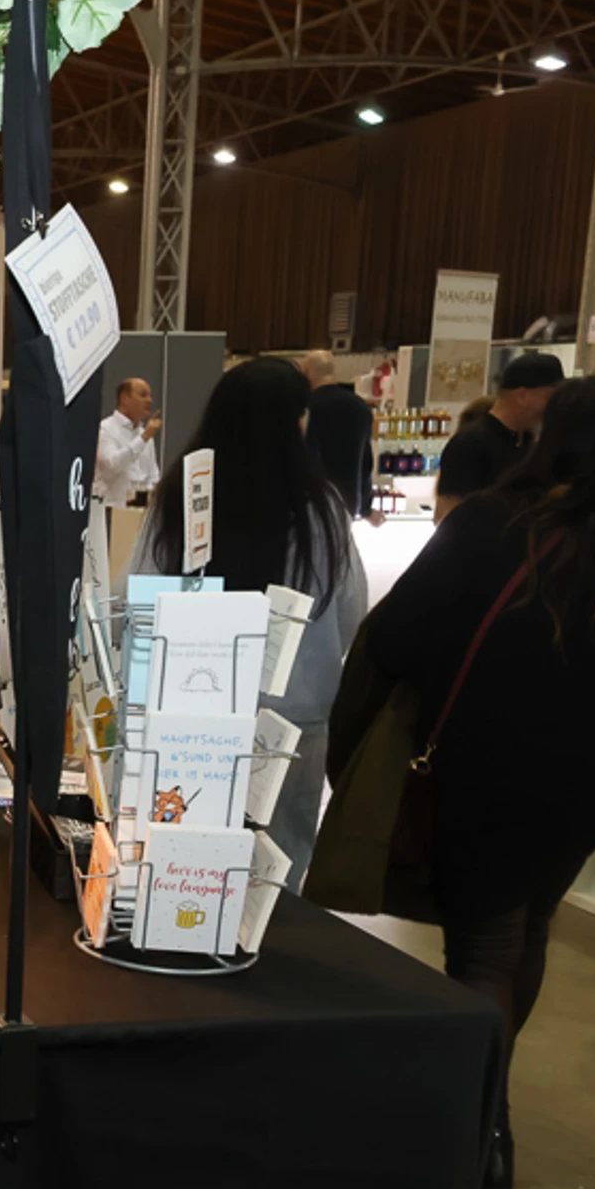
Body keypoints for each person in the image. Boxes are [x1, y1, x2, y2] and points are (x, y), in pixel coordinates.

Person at [331, 379, 595, 1189]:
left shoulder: (495, 524)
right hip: (586, 786)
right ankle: (485, 1118)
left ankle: (481, 1137)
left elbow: (397, 635)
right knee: (524, 928)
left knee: (485, 948)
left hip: (481, 767)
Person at [130, 357, 365, 881]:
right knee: (279, 863)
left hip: (193, 708)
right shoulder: (320, 506)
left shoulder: (183, 493)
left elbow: (140, 596)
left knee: (186, 860)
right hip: (295, 711)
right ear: (294, 422)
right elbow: (350, 609)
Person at [434, 351, 566, 520]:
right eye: (550, 397)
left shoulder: (529, 442)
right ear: (523, 396)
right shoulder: (470, 443)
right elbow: (448, 513)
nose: (555, 405)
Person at [299, 350, 375, 523]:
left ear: (306, 374)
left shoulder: (306, 408)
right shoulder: (361, 407)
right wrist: (366, 508)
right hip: (349, 503)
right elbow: (366, 462)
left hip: (314, 502)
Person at [94, 377, 162, 507]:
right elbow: (111, 465)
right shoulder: (105, 429)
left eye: (150, 396)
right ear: (124, 398)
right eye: (143, 395)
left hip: (140, 511)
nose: (150, 400)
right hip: (110, 509)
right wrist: (143, 438)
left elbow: (153, 476)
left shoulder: (146, 434)